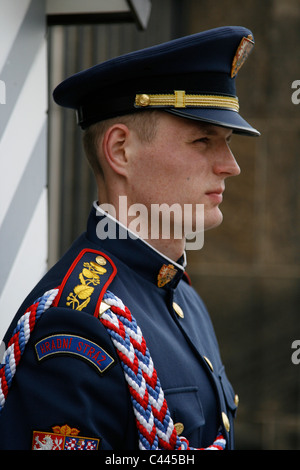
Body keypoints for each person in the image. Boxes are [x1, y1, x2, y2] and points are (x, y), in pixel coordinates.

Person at [0, 26, 259, 451]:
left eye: (227, 143)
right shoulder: (77, 324)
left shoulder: (179, 294)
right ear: (120, 150)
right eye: (203, 140)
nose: (230, 166)